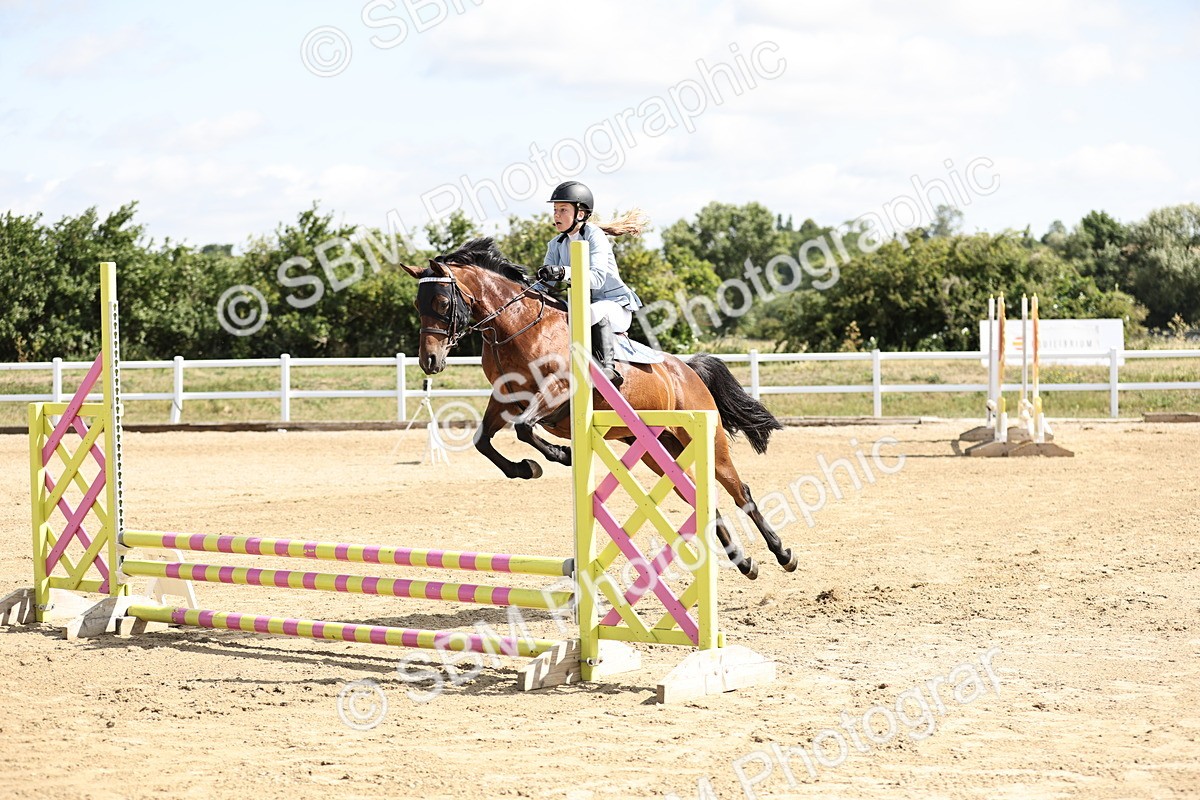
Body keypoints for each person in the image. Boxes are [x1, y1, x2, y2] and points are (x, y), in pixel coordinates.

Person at [536, 181, 644, 388]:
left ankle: (608, 368)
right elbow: (545, 285)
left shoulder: (595, 236)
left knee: (590, 312)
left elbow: (596, 279)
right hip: (579, 306)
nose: (556, 215)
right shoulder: (555, 244)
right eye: (555, 210)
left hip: (614, 306)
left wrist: (562, 272)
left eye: (563, 210)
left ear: (580, 213)